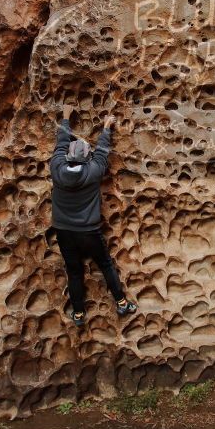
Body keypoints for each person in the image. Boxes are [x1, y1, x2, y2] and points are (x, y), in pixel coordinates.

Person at [50, 104, 137, 326]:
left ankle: (78, 314)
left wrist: (66, 116)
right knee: (106, 264)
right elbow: (102, 150)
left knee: (74, 271)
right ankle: (121, 303)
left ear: (69, 156)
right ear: (86, 157)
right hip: (88, 231)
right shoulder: (93, 171)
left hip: (63, 231)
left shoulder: (57, 167)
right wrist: (107, 126)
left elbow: (61, 142)